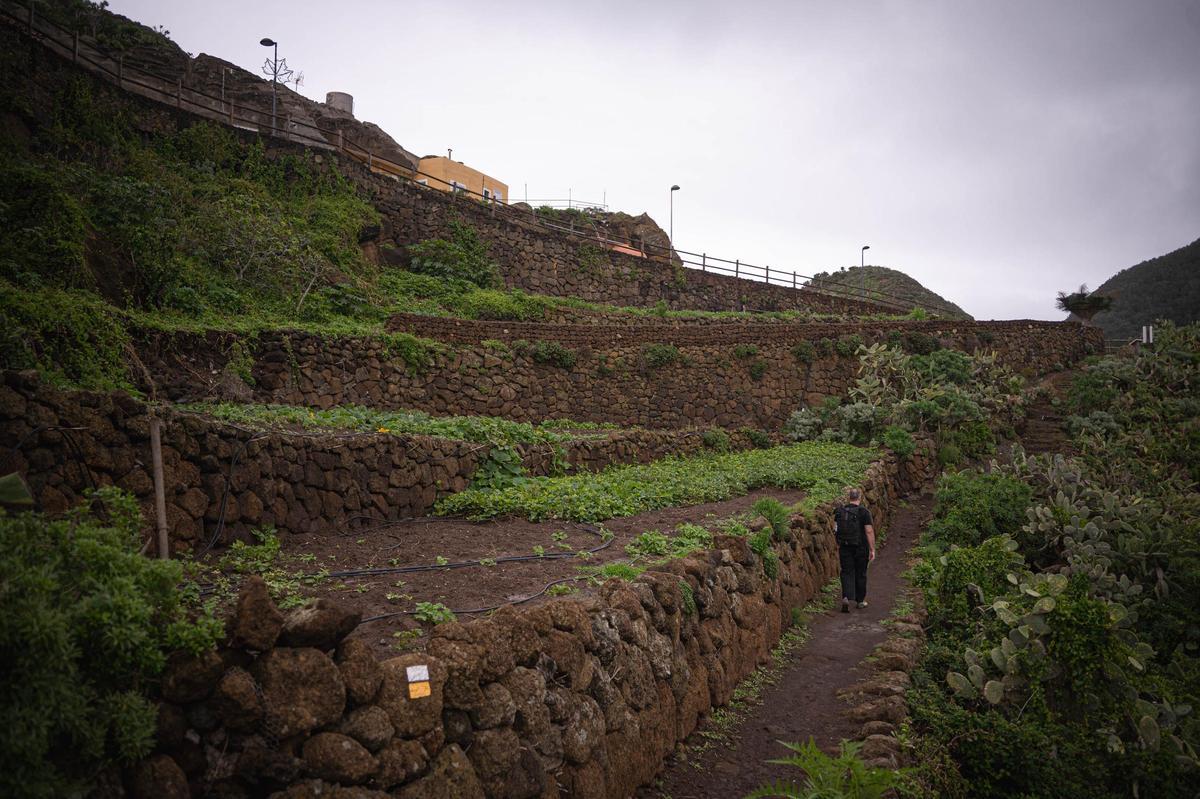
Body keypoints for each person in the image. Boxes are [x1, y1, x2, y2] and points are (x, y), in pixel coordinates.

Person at [834, 487, 875, 613]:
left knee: (846, 572)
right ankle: (860, 601)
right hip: (861, 547)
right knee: (860, 572)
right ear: (860, 497)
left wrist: (838, 543)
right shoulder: (864, 512)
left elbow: (835, 529)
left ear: (849, 497)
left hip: (845, 547)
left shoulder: (840, 511)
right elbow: (869, 531)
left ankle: (846, 597)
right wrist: (872, 549)